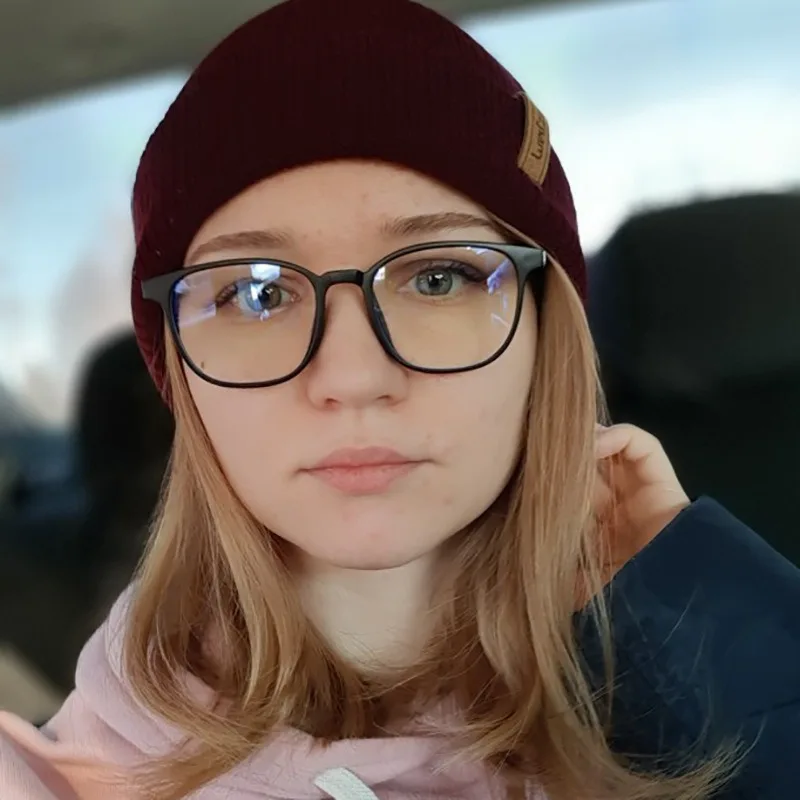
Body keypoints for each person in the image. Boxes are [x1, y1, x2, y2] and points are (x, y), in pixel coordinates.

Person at [1, 0, 798, 797]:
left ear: (545, 336)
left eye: (439, 278)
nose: (353, 377)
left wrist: (699, 635)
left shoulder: (683, 663)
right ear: (181, 372)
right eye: (256, 294)